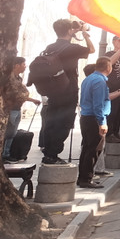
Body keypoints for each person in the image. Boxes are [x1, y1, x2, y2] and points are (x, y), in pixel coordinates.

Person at [37, 19, 94, 164]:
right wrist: (84, 34)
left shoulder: (50, 47)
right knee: (64, 123)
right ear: (69, 31)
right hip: (68, 90)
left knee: (51, 121)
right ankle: (53, 154)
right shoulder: (72, 48)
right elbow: (92, 49)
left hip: (52, 90)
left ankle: (48, 153)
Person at [78, 57, 120, 188]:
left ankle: (83, 177)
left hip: (87, 117)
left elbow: (103, 98)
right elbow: (98, 104)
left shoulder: (89, 79)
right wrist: (102, 122)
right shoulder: (99, 81)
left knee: (87, 148)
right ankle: (86, 178)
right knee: (94, 149)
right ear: (108, 68)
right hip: (94, 118)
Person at [3, 56, 40, 162]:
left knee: (12, 133)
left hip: (17, 108)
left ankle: (7, 153)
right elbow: (16, 94)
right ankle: (4, 154)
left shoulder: (18, 78)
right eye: (23, 64)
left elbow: (21, 95)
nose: (25, 66)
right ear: (16, 65)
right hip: (10, 109)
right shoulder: (9, 79)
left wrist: (33, 100)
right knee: (8, 133)